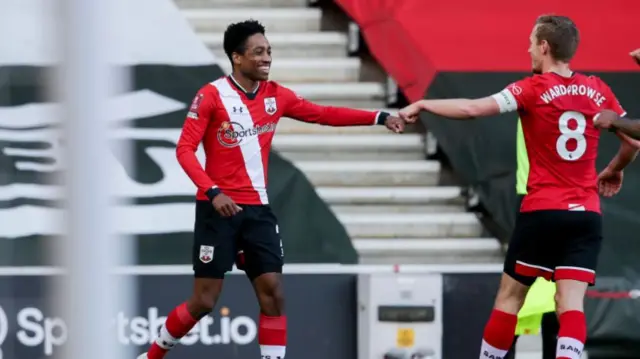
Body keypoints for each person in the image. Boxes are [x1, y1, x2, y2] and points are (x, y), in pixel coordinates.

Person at [136, 20, 405, 359]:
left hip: (258, 211)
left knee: (273, 292)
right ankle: (152, 355)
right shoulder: (211, 95)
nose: (267, 59)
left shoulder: (277, 95)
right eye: (258, 52)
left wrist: (378, 117)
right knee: (204, 300)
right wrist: (213, 192)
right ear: (237, 58)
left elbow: (323, 114)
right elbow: (184, 150)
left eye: (269, 52)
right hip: (216, 210)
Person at [398, 15, 638, 359]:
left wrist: (423, 104)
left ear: (544, 46)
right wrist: (614, 170)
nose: (528, 49)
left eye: (531, 42)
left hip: (542, 210)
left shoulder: (530, 89)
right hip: (586, 214)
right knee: (570, 304)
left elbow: (471, 108)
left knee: (510, 298)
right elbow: (632, 142)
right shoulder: (598, 89)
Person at [504, 119, 559, 359]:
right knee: (554, 291)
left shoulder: (530, 94)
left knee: (522, 290)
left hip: (537, 198)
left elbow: (471, 108)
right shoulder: (582, 96)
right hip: (557, 198)